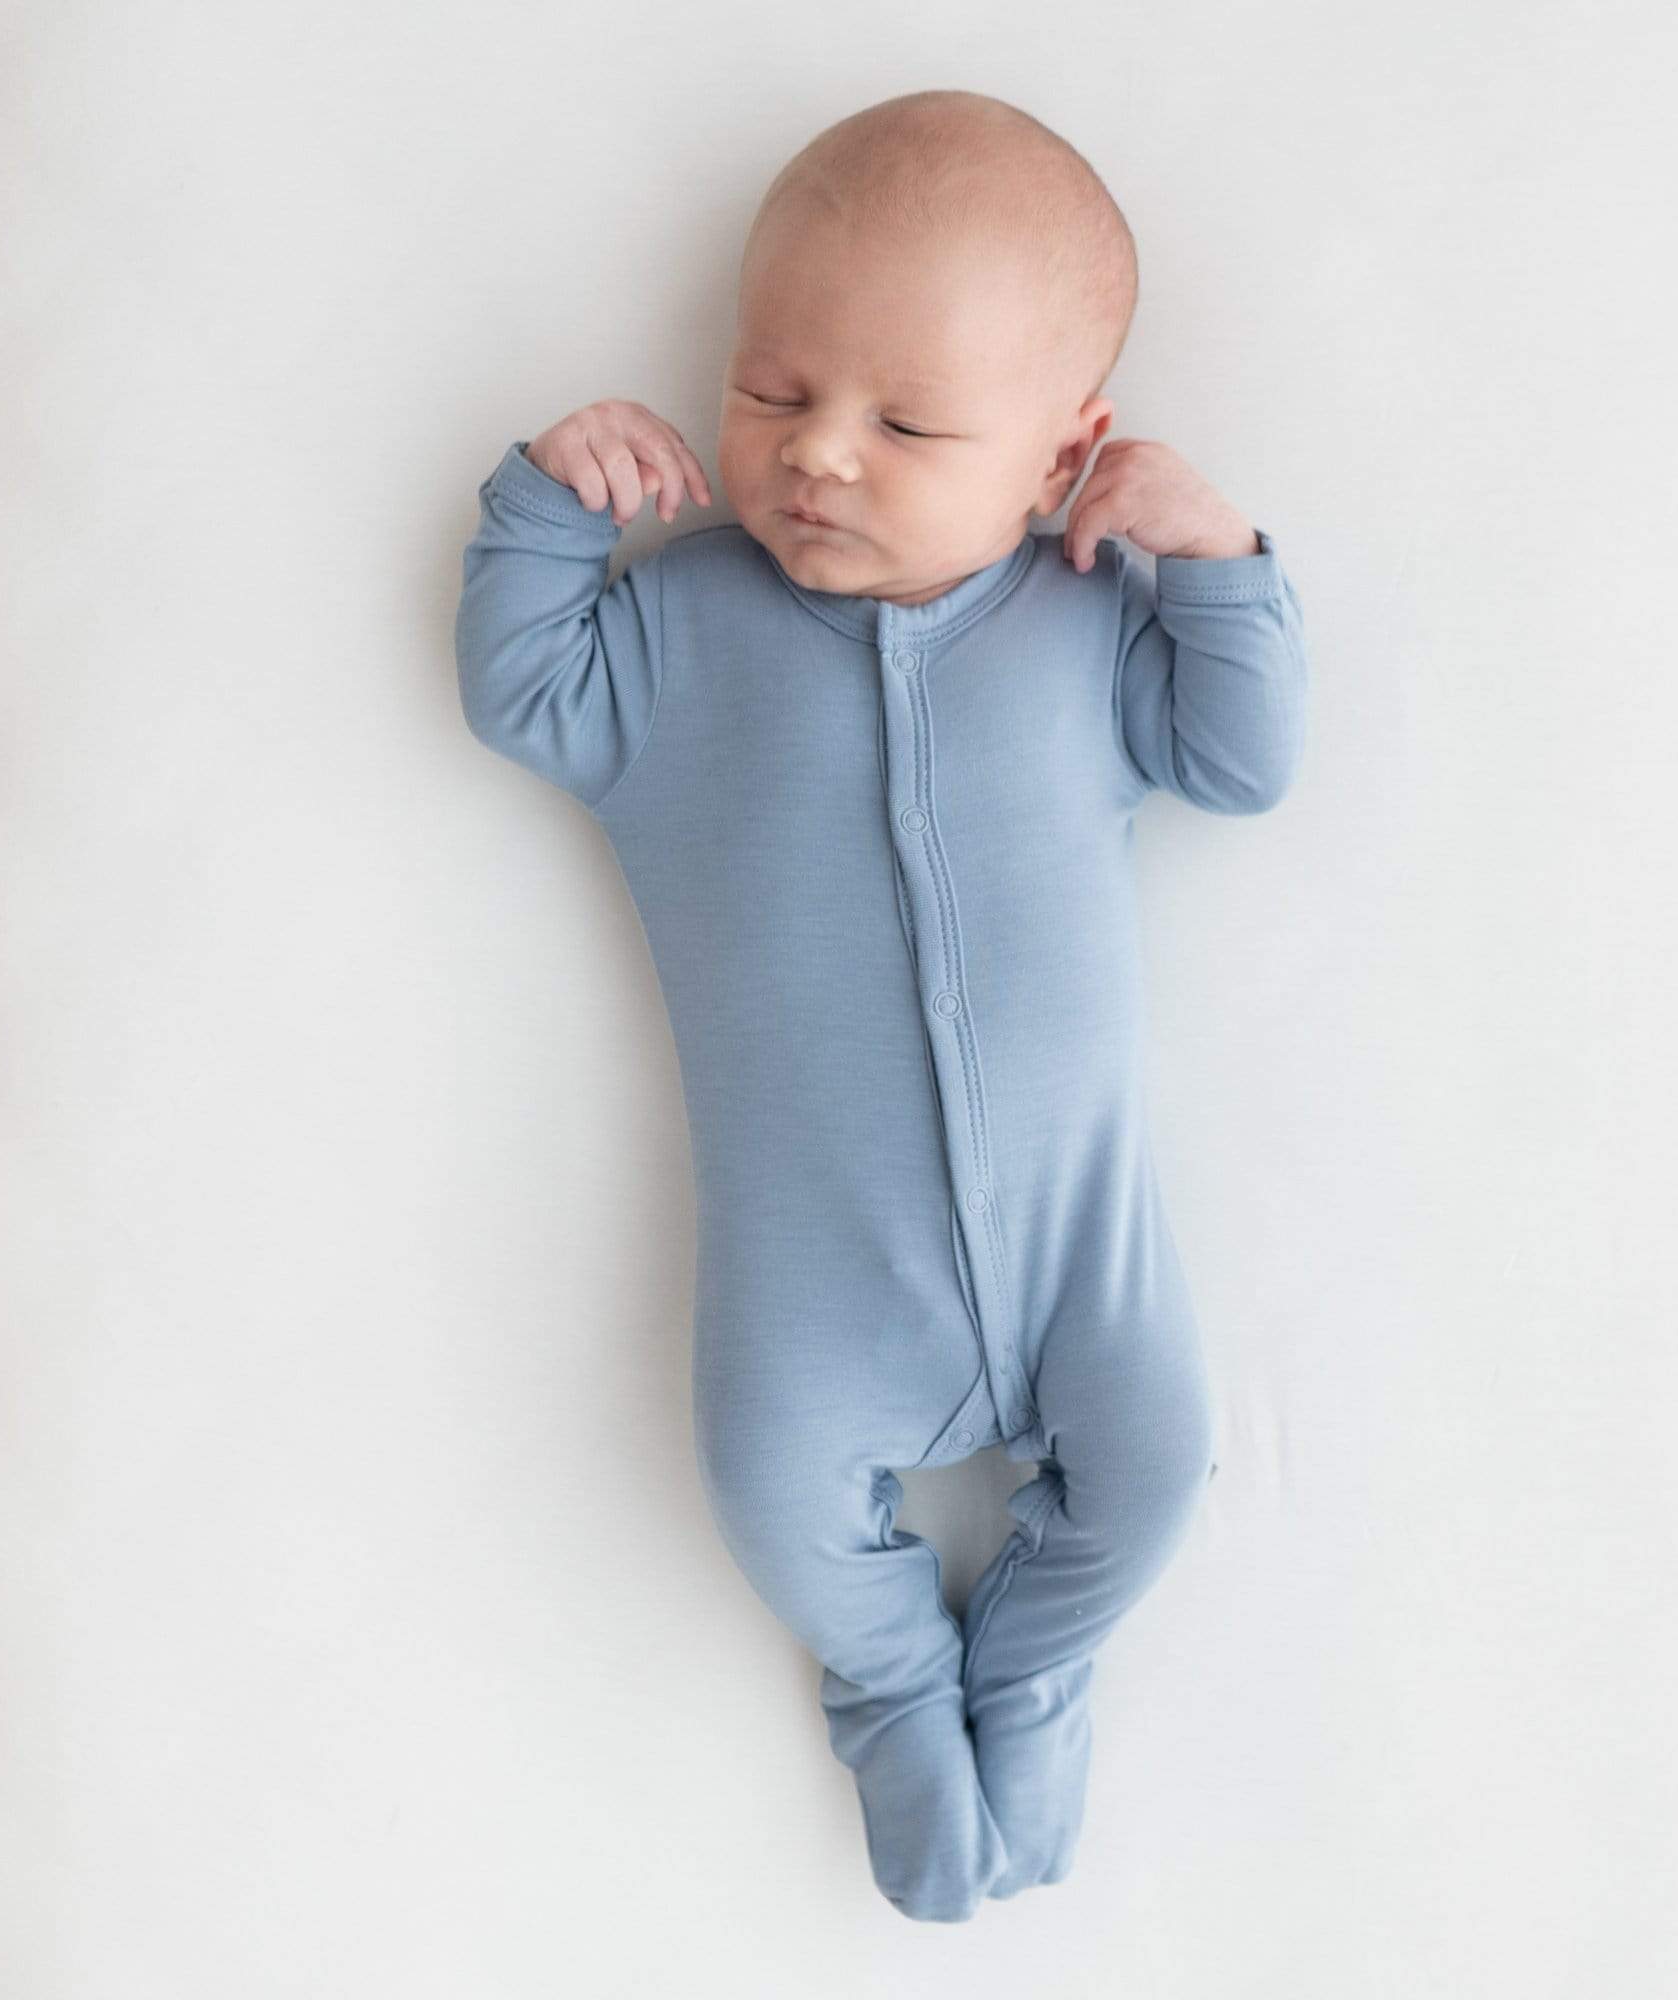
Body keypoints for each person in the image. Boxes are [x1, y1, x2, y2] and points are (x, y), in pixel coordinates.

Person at [454, 87, 1309, 1921]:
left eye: (909, 422)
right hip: (811, 1284)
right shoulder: (679, 634)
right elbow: (520, 687)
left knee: (1153, 1470)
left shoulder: (1086, 626)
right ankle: (899, 1690)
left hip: (1089, 1261)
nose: (819, 454)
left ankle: (1026, 1672)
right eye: (772, 391)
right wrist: (548, 498)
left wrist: (1216, 559)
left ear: (1061, 455)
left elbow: (1245, 766)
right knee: (768, 1492)